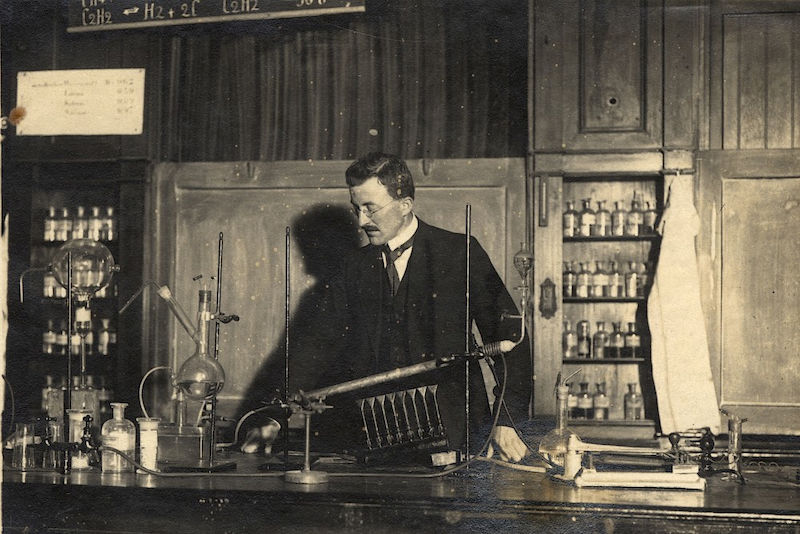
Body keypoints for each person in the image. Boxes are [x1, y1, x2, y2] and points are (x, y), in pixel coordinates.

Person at [252, 152, 530, 463]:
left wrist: (506, 420)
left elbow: (512, 338)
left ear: (405, 204)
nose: (361, 222)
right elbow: (315, 344)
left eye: (370, 209)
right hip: (377, 437)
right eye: (356, 209)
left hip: (457, 437)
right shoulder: (352, 267)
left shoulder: (460, 253)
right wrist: (276, 415)